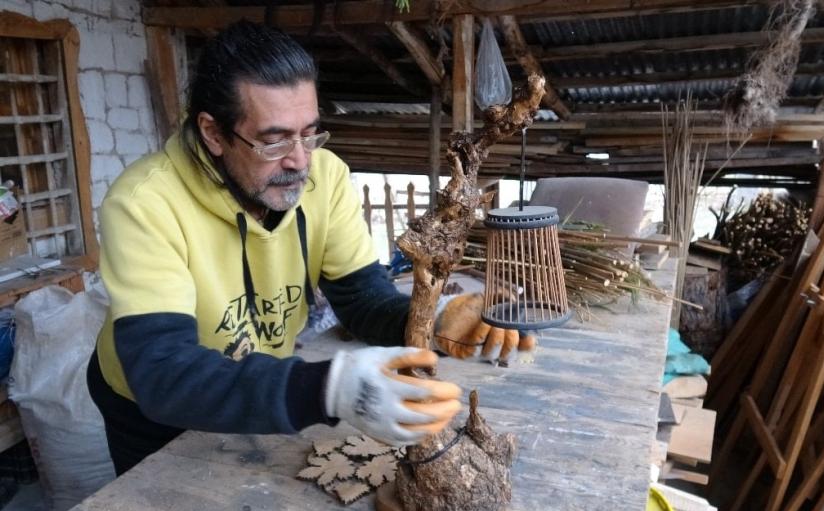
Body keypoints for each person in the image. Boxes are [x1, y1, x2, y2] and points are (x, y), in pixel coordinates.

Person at [87, 21, 531, 476]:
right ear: (213, 133)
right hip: (150, 407)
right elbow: (163, 374)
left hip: (254, 375)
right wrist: (328, 389)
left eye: (310, 133)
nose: (299, 160)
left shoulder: (326, 176)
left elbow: (361, 299)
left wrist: (437, 322)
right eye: (274, 139)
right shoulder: (144, 203)